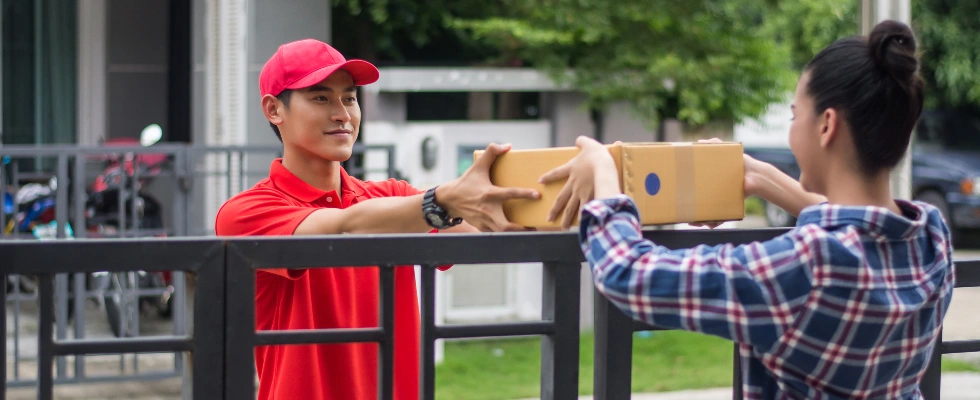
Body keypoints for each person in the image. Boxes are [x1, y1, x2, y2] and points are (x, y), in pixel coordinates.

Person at [541, 20, 955, 399]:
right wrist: (762, 178)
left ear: (826, 125)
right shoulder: (930, 238)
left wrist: (603, 173)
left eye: (795, 116)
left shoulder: (808, 265)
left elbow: (629, 275)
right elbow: (864, 228)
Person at [214, 39, 539, 400]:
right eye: (321, 98)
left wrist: (558, 191)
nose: (342, 114)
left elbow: (484, 231)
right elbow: (342, 227)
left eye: (350, 98)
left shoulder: (393, 198)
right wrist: (440, 201)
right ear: (274, 109)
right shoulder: (246, 212)